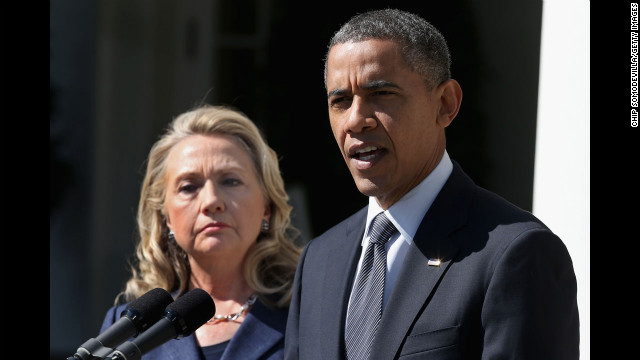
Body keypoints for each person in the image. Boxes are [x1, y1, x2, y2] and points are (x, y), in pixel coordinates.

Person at [284, 8, 579, 360]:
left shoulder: (516, 253)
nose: (356, 120)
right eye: (340, 101)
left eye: (381, 94)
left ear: (445, 104)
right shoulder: (319, 260)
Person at [100, 105, 302, 359]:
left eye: (230, 181)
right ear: (166, 218)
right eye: (188, 187)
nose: (211, 201)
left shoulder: (307, 313)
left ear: (267, 207)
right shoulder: (128, 326)